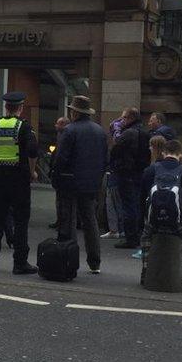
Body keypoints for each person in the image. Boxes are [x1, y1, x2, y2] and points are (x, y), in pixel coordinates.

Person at [0, 91, 39, 274]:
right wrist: (32, 171)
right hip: (19, 179)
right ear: (20, 108)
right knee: (20, 221)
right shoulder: (23, 127)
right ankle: (19, 263)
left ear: (6, 107)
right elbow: (33, 150)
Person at [51, 96, 107, 274]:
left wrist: (56, 177)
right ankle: (95, 262)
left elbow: (61, 158)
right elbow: (105, 158)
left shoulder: (69, 130)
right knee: (90, 221)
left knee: (69, 220)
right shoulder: (100, 131)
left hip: (70, 181)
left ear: (74, 112)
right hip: (92, 183)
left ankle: (70, 260)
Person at [140, 139, 182, 289]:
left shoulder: (150, 171)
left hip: (154, 223)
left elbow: (142, 199)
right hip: (179, 224)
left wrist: (146, 218)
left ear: (163, 152)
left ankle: (146, 270)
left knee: (146, 237)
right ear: (180, 154)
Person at [109, 107, 150, 250]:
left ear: (131, 118)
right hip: (140, 172)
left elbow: (116, 149)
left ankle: (130, 237)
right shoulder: (144, 132)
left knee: (128, 206)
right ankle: (137, 234)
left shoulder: (129, 133)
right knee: (137, 204)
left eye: (124, 118)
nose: (121, 121)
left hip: (127, 173)